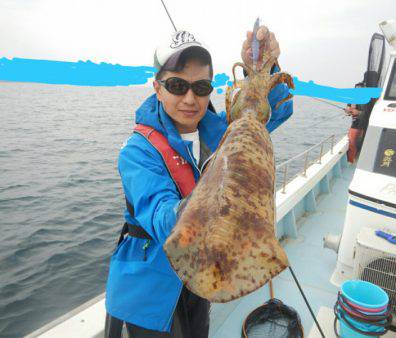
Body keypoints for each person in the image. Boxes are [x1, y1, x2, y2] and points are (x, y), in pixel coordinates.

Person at [104, 27, 293, 338]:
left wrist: (266, 66)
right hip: (149, 291)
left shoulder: (223, 130)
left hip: (205, 274)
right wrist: (227, 192)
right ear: (157, 87)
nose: (190, 98)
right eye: (177, 85)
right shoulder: (137, 152)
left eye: (201, 86)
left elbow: (273, 110)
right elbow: (163, 218)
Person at [345, 82, 365, 163]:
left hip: (364, 125)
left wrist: (358, 113)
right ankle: (351, 160)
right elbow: (348, 108)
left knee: (356, 142)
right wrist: (348, 110)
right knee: (351, 142)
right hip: (355, 124)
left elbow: (368, 113)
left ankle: (354, 160)